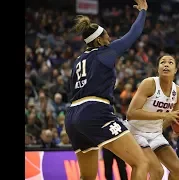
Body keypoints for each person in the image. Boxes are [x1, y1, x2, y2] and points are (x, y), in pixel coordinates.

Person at [64, 1, 150, 180]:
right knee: (141, 163)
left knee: (87, 177)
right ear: (98, 40)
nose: (110, 38)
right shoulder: (105, 52)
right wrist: (143, 12)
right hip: (95, 111)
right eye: (107, 36)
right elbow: (133, 33)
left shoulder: (78, 61)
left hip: (72, 117)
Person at [126, 55, 179, 180]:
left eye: (170, 62)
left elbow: (175, 118)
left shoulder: (178, 92)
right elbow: (131, 113)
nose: (166, 64)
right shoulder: (149, 84)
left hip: (155, 134)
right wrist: (164, 115)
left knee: (177, 170)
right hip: (135, 133)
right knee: (157, 171)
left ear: (175, 70)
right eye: (162, 62)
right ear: (158, 69)